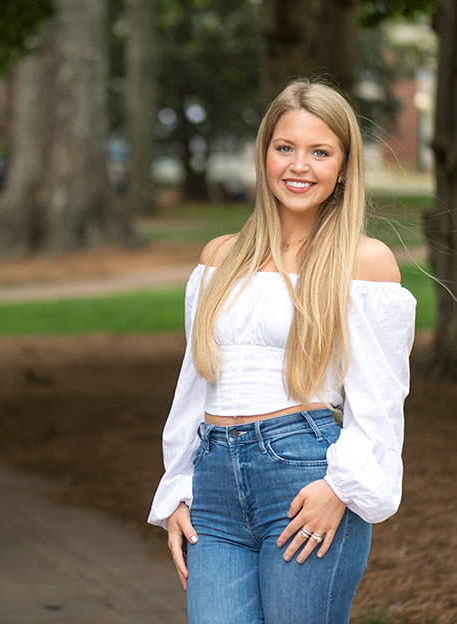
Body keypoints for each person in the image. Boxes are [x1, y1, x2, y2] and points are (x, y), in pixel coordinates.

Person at [147, 79, 417, 624]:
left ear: (343, 167)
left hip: (304, 478)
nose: (299, 166)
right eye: (285, 148)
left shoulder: (364, 262)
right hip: (214, 485)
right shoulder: (221, 258)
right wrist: (177, 486)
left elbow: (382, 402)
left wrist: (339, 488)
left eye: (321, 152)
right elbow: (195, 381)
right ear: (264, 154)